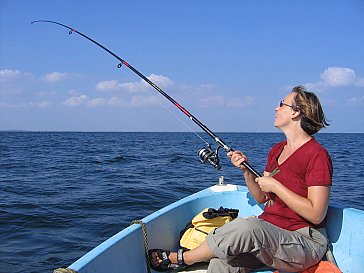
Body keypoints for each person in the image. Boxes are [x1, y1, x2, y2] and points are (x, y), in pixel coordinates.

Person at [149, 85, 333, 273]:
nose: (275, 109)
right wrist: (246, 171)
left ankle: (184, 258)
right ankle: (197, 256)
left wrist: (276, 186)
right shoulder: (277, 150)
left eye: (281, 104)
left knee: (249, 227)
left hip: (304, 243)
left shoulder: (317, 155)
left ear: (296, 112)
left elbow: (316, 213)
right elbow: (262, 197)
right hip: (271, 236)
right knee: (220, 264)